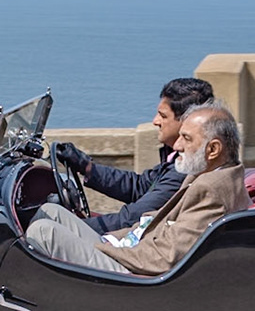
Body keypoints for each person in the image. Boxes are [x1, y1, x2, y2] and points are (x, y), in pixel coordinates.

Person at [27, 104, 249, 276]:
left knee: (43, 232)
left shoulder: (210, 191)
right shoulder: (208, 174)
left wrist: (107, 248)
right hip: (134, 249)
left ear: (213, 149)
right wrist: (113, 239)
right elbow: (154, 220)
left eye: (186, 139)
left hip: (134, 272)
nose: (177, 145)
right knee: (50, 212)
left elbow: (165, 258)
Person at [52, 76, 215, 233]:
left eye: (163, 116)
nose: (155, 121)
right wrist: (87, 167)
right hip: (141, 235)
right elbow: (140, 186)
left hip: (138, 242)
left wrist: (68, 228)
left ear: (187, 123)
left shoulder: (185, 169)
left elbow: (132, 219)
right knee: (54, 216)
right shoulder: (174, 158)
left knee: (48, 226)